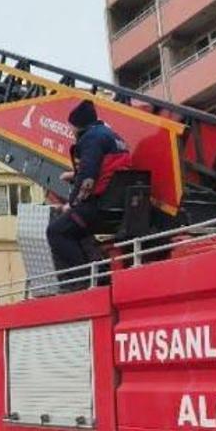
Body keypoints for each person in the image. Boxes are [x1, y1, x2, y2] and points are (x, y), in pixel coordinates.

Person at [46, 99, 132, 291]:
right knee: (76, 229)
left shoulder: (90, 139)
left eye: (72, 127)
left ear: (79, 125)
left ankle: (84, 279)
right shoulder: (113, 137)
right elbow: (106, 168)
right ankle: (99, 271)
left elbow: (88, 178)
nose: (72, 132)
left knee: (56, 231)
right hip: (118, 205)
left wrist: (71, 204)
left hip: (99, 207)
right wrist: (73, 175)